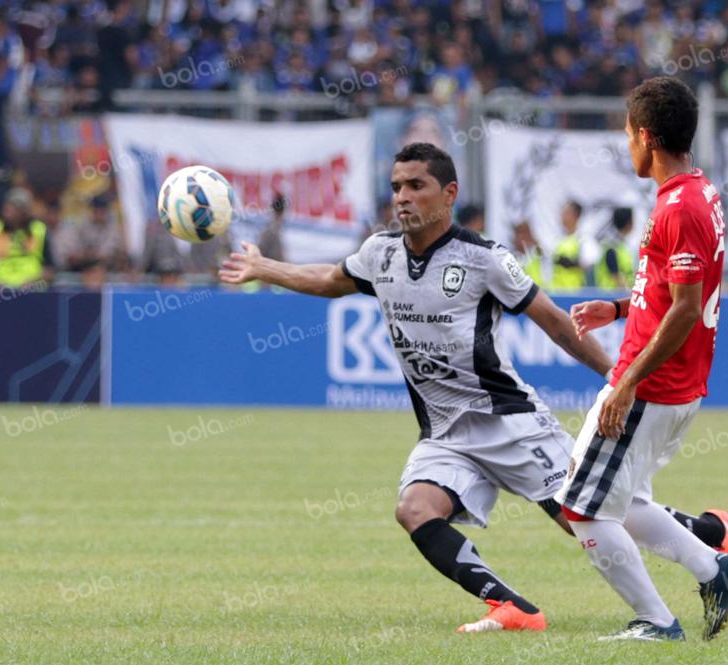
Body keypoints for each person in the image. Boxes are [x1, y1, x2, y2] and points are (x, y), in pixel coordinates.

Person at [220, 142, 617, 633]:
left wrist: (617, 377)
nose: (402, 197)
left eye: (415, 185)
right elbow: (328, 279)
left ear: (449, 194)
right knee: (415, 509)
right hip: (446, 433)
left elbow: (556, 323)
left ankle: (702, 536)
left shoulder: (484, 258)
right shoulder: (380, 253)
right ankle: (512, 607)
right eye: (396, 187)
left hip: (508, 421)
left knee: (586, 521)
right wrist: (265, 268)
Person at [556, 77, 728, 643]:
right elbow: (675, 291)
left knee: (582, 510)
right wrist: (619, 308)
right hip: (671, 385)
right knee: (626, 502)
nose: (627, 146)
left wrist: (627, 385)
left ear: (645, 136)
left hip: (651, 385)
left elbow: (687, 309)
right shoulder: (697, 193)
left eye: (627, 135)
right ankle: (715, 567)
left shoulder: (681, 206)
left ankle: (658, 621)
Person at [53, 192, 125, 289]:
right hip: (80, 270)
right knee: (62, 281)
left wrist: (90, 257)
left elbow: (105, 255)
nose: (99, 213)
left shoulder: (113, 227)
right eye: (96, 209)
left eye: (102, 210)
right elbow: (71, 254)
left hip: (107, 271)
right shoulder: (81, 224)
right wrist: (86, 257)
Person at [0, 188, 52, 288]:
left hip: (31, 290)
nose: (8, 212)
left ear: (24, 211)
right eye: (8, 207)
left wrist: (34, 282)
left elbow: (49, 269)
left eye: (15, 208)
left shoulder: (38, 230)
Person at [551, 200, 590, 291]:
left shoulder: (583, 239)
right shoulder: (557, 239)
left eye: (566, 213)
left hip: (575, 292)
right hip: (557, 292)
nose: (562, 216)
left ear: (575, 216)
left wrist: (570, 263)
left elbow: (588, 265)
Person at [595, 207, 635, 291]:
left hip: (618, 295)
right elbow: (616, 276)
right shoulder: (612, 247)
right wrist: (629, 292)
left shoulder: (621, 246)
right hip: (612, 295)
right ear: (629, 223)